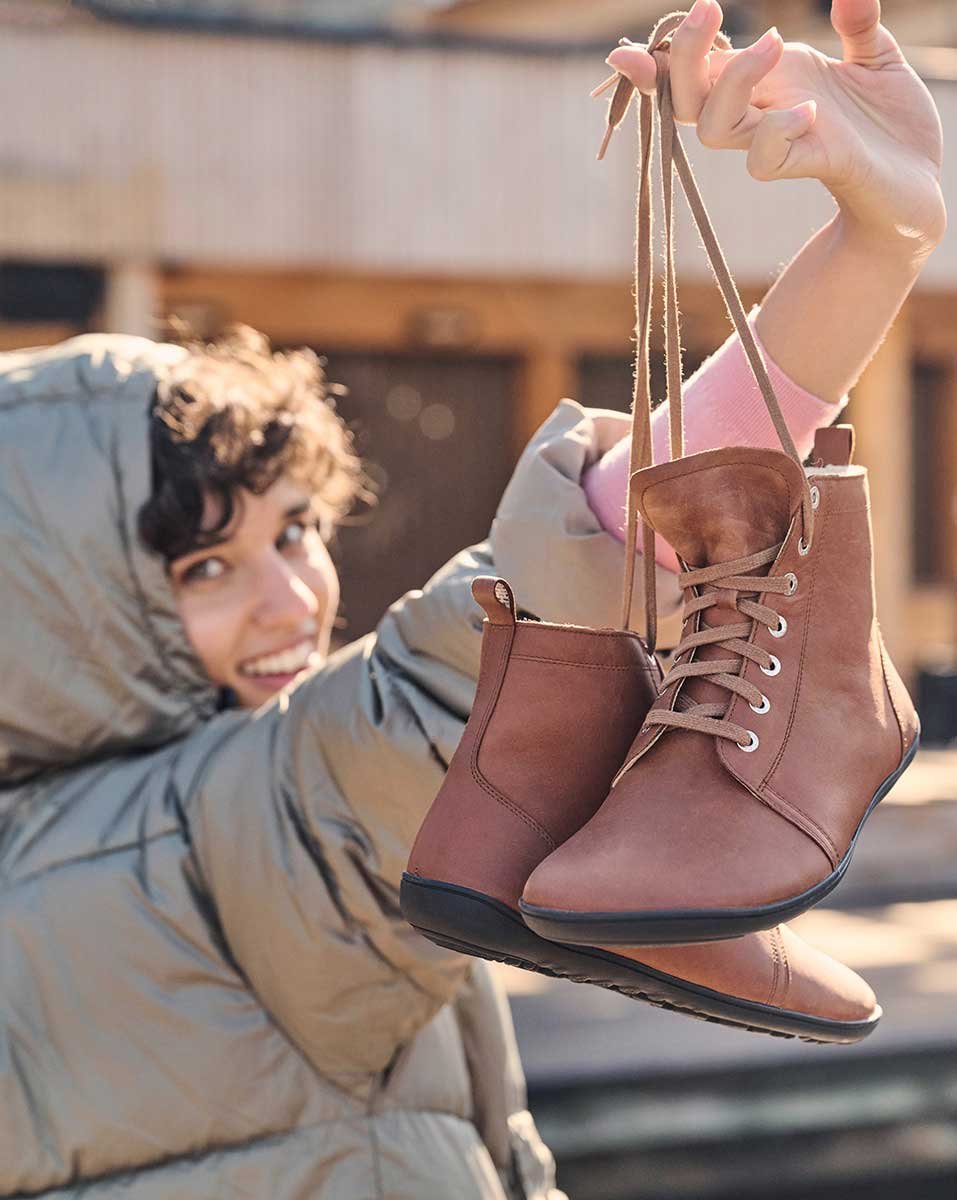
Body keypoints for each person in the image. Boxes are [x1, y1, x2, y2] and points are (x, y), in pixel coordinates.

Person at [0, 2, 943, 1197]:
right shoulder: (195, 846)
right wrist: (879, 244)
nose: (293, 596)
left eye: (294, 530)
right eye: (200, 569)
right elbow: (544, 583)